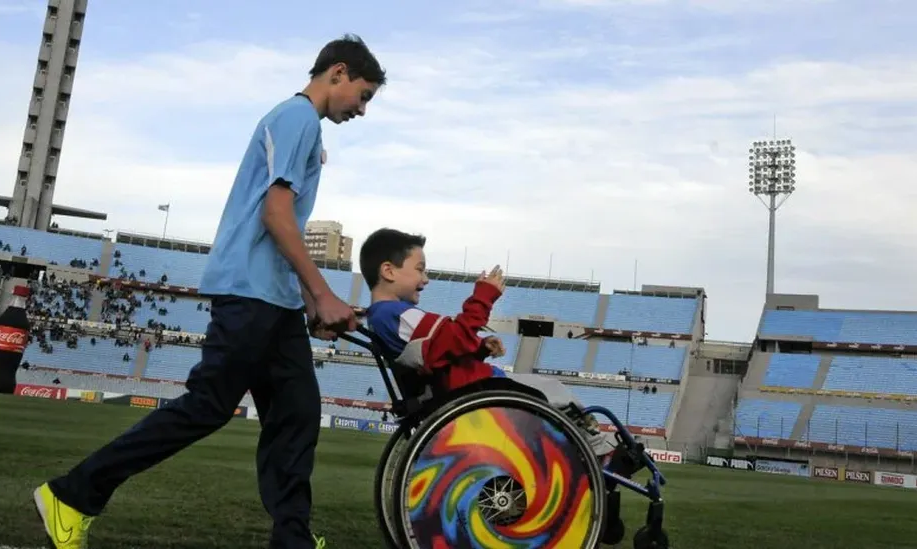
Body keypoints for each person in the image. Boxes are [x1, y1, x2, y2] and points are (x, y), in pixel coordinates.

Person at [33, 34, 386, 549]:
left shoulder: (298, 122)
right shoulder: (299, 118)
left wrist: (311, 302)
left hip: (274, 299)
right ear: (338, 73)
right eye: (364, 95)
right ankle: (72, 495)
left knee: (297, 413)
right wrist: (322, 291)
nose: (362, 109)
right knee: (207, 406)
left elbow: (280, 222)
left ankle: (291, 539)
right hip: (250, 293)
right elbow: (275, 214)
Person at [359, 228, 616, 458]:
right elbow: (454, 337)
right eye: (420, 269)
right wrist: (484, 296)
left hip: (462, 391)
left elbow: (441, 353)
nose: (425, 278)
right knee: (554, 391)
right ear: (388, 271)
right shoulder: (393, 314)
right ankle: (598, 450)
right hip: (478, 389)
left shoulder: (384, 316)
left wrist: (479, 348)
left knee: (549, 392)